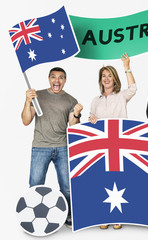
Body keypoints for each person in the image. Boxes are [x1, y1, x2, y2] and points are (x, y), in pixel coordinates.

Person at [21, 67, 83, 228]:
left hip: (63, 147)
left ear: (65, 80)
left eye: (61, 77)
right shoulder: (37, 96)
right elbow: (26, 121)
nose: (57, 80)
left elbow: (73, 126)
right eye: (54, 77)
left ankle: (69, 216)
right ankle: (31, 216)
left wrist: (76, 114)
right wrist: (28, 102)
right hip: (40, 147)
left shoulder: (71, 100)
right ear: (49, 78)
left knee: (67, 187)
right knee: (35, 184)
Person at [89, 53, 136, 229]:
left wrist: (127, 66)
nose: (107, 78)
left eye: (110, 75)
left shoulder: (122, 96)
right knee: (102, 179)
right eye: (104, 76)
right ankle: (103, 215)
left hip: (119, 142)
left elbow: (133, 88)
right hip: (102, 144)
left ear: (115, 79)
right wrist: (92, 118)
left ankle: (117, 215)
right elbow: (91, 119)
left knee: (118, 180)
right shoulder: (96, 100)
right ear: (100, 80)